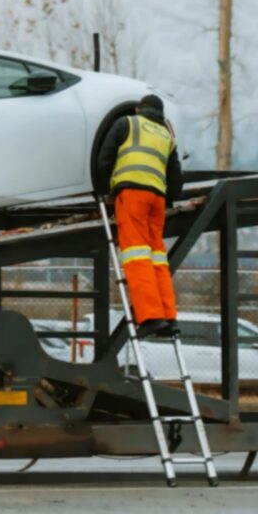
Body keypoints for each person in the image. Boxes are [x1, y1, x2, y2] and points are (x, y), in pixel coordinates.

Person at [95, 94, 183, 339]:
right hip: (157, 200)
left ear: (138, 109)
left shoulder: (127, 123)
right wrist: (171, 200)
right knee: (157, 257)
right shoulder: (167, 136)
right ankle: (169, 317)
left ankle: (151, 317)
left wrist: (104, 190)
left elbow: (105, 158)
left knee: (136, 255)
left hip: (132, 193)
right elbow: (175, 177)